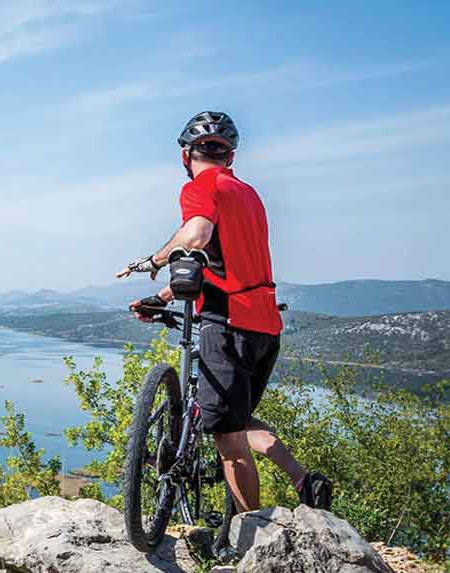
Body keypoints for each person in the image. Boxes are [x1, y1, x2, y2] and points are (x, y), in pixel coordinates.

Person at [117, 112, 331, 539]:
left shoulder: (202, 186)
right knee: (238, 420)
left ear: (186, 156)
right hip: (264, 326)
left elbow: (196, 237)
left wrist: (153, 261)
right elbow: (222, 264)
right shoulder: (248, 194)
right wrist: (163, 297)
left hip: (228, 326)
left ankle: (252, 542)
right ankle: (303, 480)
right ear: (230, 156)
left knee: (230, 443)